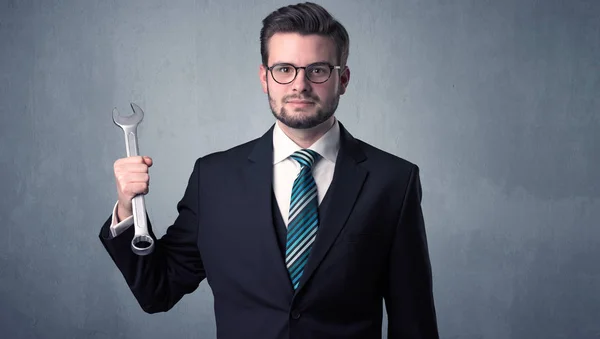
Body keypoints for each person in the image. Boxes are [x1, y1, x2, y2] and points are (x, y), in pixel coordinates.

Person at [99, 2, 439, 338]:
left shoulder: (394, 181)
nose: (300, 85)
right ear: (265, 78)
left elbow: (414, 325)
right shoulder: (213, 179)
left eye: (318, 70)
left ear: (343, 79)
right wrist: (130, 210)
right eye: (284, 69)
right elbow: (157, 290)